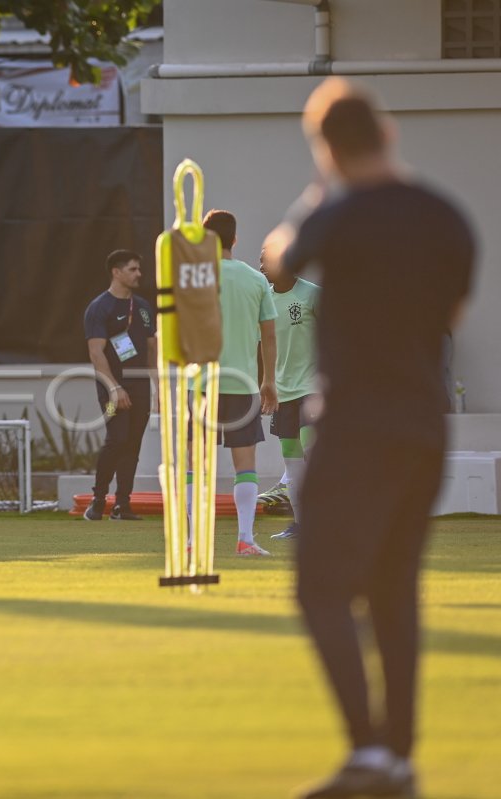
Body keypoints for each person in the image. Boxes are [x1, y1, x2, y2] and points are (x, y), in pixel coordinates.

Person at [262, 77, 474, 799]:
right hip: (422, 422)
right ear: (387, 134)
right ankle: (400, 758)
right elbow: (454, 310)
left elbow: (281, 261)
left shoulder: (337, 210)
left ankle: (367, 752)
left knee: (322, 585)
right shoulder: (445, 216)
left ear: (326, 147)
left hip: (354, 421)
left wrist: (316, 198)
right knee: (393, 589)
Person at [199, 209, 278, 556]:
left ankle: (191, 542)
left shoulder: (193, 278)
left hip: (200, 384)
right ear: (235, 239)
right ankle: (245, 539)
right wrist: (269, 381)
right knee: (245, 466)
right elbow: (270, 338)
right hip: (244, 383)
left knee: (195, 466)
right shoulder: (256, 280)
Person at [82, 249, 156, 521]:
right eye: (133, 269)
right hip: (111, 384)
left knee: (133, 443)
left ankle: (122, 504)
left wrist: (157, 386)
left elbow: (151, 348)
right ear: (116, 272)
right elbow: (96, 353)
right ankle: (98, 500)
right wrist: (114, 387)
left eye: (139, 269)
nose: (139, 274)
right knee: (117, 439)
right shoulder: (100, 308)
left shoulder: (144, 308)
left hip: (139, 385)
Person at [263, 249, 320, 541]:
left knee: (314, 453)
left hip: (313, 390)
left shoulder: (313, 295)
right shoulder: (264, 300)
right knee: (291, 459)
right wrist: (266, 383)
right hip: (282, 394)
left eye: (265, 260)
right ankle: (301, 525)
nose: (260, 266)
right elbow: (262, 346)